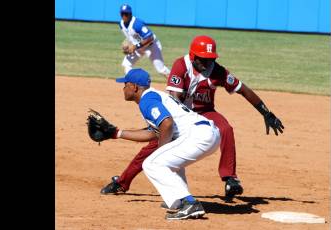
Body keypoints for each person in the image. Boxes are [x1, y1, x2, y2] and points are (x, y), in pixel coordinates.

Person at [100, 35, 284, 202]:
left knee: (226, 128)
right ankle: (122, 182)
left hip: (205, 113)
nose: (208, 63)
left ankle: (230, 178)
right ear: (193, 56)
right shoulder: (181, 65)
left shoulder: (217, 71)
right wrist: (176, 129)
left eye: (211, 59)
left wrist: (265, 112)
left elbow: (243, 89)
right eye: (203, 59)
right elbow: (173, 98)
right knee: (153, 147)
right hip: (180, 116)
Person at [112, 68, 221, 220]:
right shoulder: (153, 97)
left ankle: (188, 203)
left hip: (198, 135)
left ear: (134, 87)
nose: (123, 88)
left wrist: (160, 151)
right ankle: (178, 200)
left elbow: (167, 124)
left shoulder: (147, 100)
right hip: (206, 133)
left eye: (125, 84)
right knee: (169, 162)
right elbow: (154, 132)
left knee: (152, 163)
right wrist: (116, 133)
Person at [118, 4, 170, 77]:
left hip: (151, 46)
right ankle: (135, 84)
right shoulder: (121, 24)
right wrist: (128, 46)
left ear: (130, 14)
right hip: (138, 48)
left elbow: (150, 37)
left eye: (126, 14)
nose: (124, 16)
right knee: (126, 64)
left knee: (161, 70)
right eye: (122, 14)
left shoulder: (137, 24)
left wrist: (135, 47)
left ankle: (177, 84)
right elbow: (132, 37)